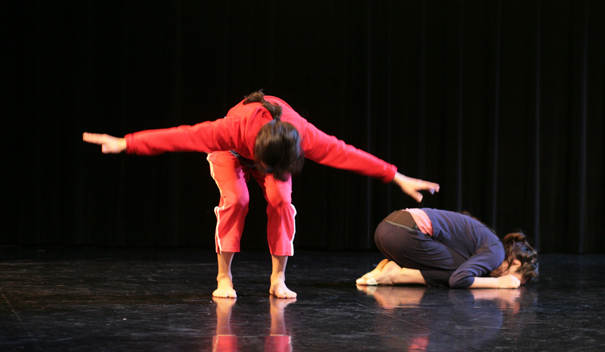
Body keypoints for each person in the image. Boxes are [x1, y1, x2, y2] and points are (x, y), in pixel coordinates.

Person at [83, 91, 440, 299]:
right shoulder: (230, 129)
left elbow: (344, 153)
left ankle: (277, 279)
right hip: (233, 153)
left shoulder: (301, 134)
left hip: (270, 153)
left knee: (281, 201)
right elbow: (182, 136)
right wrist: (127, 143)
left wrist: (396, 176)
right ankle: (224, 278)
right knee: (238, 199)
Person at [356, 208, 538, 288]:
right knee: (460, 272)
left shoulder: (487, 245)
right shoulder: (496, 252)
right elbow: (458, 280)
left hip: (386, 229)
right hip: (404, 234)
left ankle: (391, 268)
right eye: (515, 280)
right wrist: (498, 283)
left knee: (463, 269)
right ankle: (397, 275)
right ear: (514, 262)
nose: (512, 285)